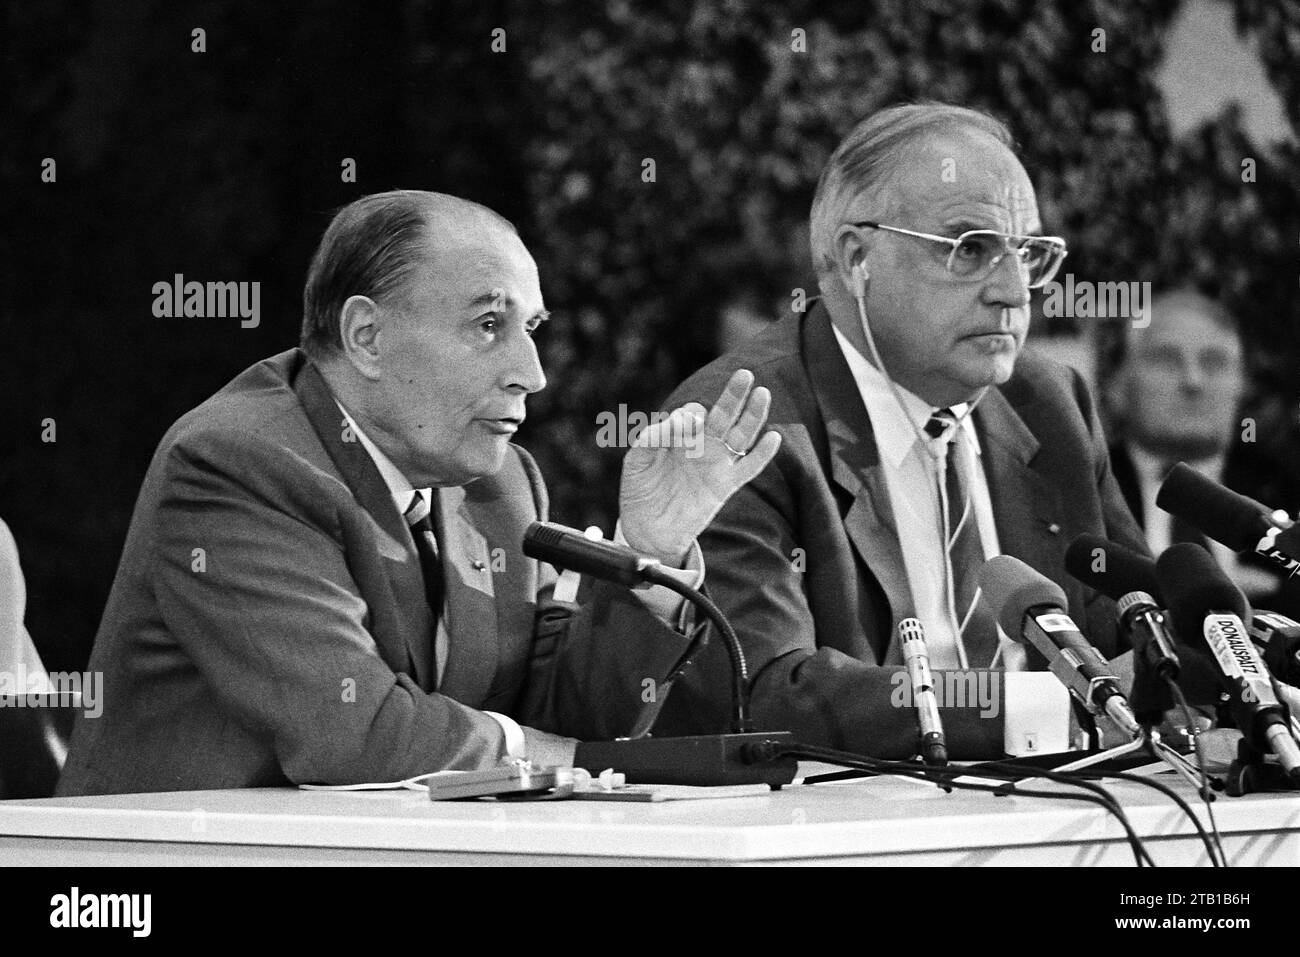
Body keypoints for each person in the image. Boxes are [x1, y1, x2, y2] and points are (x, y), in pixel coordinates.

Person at [56, 190, 779, 795]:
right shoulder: (236, 463)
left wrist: (649, 548)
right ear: (367, 336)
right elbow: (356, 735)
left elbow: (564, 712)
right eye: (490, 325)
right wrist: (561, 761)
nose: (533, 372)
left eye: (530, 329)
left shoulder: (501, 483)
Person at [654, 103, 1150, 757]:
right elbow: (765, 694)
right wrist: (1045, 707)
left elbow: (1137, 631)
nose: (1013, 291)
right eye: (971, 249)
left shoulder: (1049, 401)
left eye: (1027, 254)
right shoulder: (743, 417)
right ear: (858, 259)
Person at [1103, 287, 1293, 612]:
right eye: (1166, 359)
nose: (1193, 381)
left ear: (1241, 385)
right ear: (1119, 385)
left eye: (1214, 362)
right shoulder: (1086, 491)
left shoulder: (1288, 490)